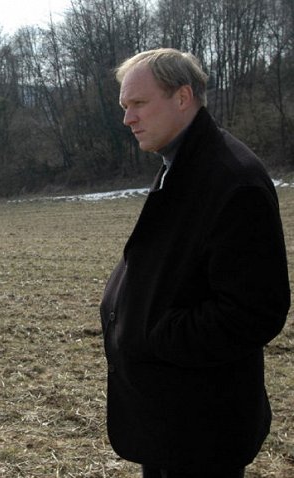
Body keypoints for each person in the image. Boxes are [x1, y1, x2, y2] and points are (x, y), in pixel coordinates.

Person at [100, 48, 290, 477]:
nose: (128, 118)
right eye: (125, 107)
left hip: (202, 427)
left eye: (139, 104)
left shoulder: (231, 179)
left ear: (182, 97)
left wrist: (155, 336)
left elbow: (255, 311)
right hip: (169, 420)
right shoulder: (182, 164)